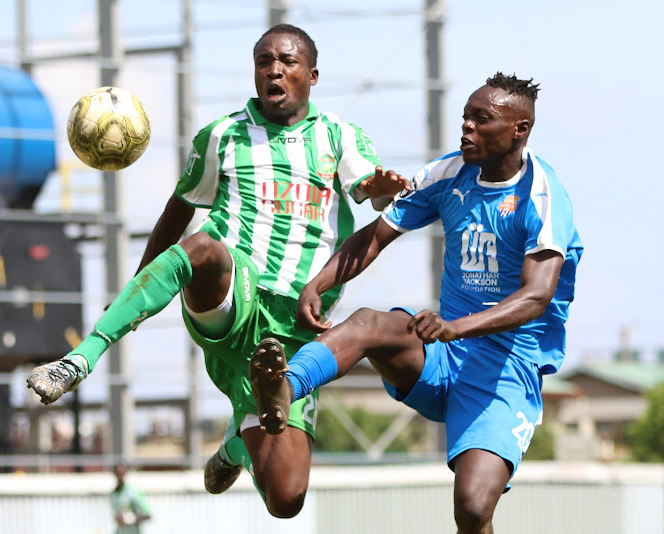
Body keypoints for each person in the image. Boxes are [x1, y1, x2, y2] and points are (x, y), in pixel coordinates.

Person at [26, 23, 408, 518]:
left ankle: (234, 448)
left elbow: (372, 193)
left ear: (312, 75)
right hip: (234, 295)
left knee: (286, 498)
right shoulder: (222, 136)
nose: (274, 70)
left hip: (294, 330)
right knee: (205, 246)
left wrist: (384, 187)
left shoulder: (339, 137)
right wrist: (139, 284)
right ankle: (79, 359)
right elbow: (179, 210)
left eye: (287, 62)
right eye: (264, 61)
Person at [249, 72, 583, 533]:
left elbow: (536, 297)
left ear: (518, 129)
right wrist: (318, 283)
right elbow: (376, 234)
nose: (466, 127)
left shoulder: (541, 195)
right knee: (368, 323)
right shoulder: (448, 173)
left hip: (503, 373)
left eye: (481, 119)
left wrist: (455, 326)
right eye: (465, 116)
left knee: (472, 507)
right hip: (439, 354)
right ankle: (285, 386)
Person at [110, 463, 151, 534]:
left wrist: (132, 519)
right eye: (118, 473)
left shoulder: (133, 493)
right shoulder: (113, 495)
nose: (120, 476)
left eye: (121, 473)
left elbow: (148, 515)